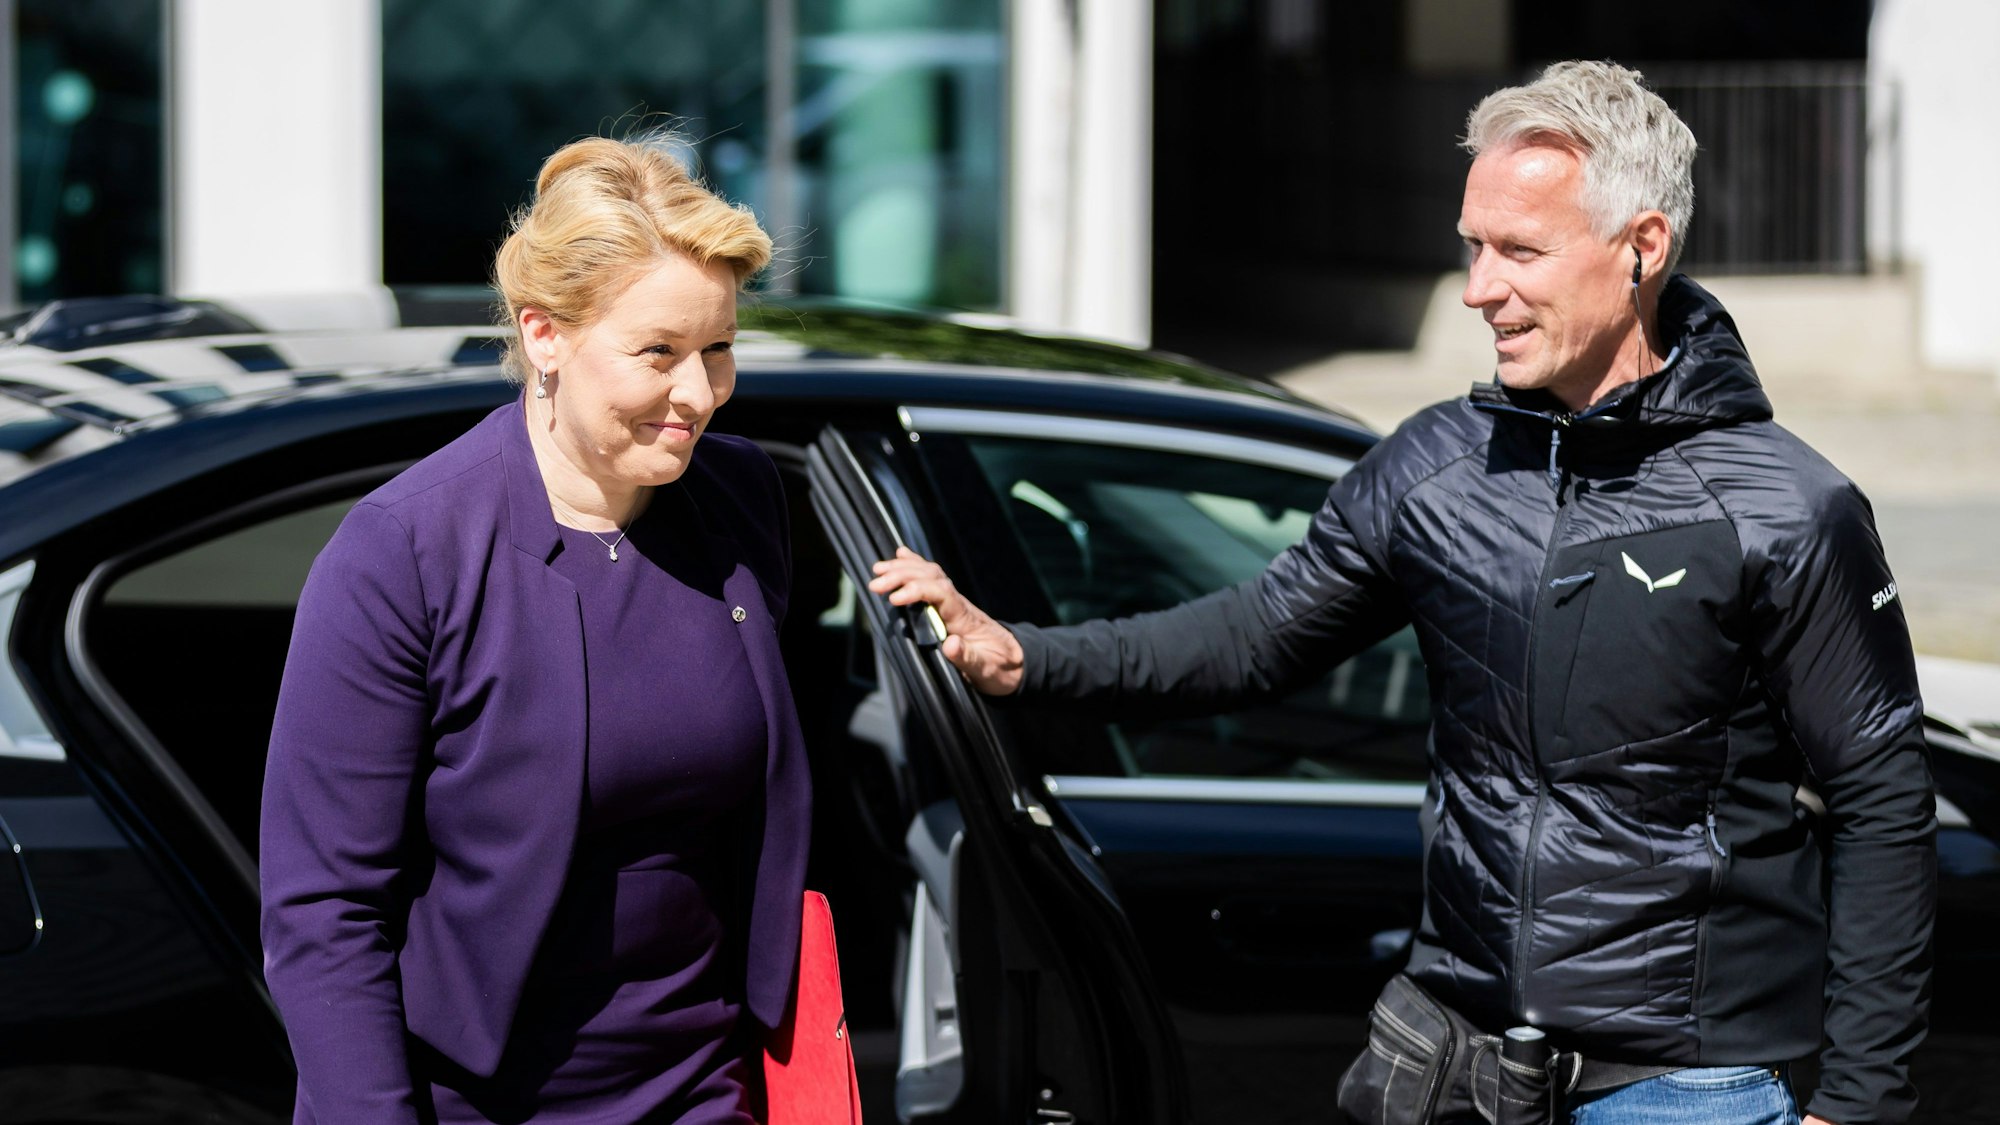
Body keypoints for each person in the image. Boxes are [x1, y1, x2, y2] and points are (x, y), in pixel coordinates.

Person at [870, 61, 1934, 1125]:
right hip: (1450, 1064)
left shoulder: (1785, 506)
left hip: (1686, 1085)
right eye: (1472, 245)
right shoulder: (1434, 466)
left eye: (1518, 251)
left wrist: (1854, 1104)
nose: (1477, 288)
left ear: (1639, 249)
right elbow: (1252, 638)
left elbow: (1881, 806)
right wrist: (1022, 655)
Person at [260, 134, 810, 1124]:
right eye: (659, 353)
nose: (700, 394)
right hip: (466, 1100)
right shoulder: (403, 551)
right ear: (545, 336)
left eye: (718, 350)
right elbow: (323, 913)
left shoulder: (738, 498)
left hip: (698, 1087)